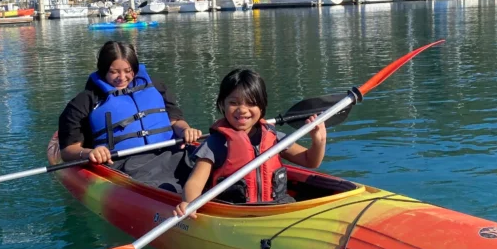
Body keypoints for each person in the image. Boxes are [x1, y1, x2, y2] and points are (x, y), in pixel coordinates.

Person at [174, 67, 326, 217]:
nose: (242, 110)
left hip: (278, 208)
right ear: (223, 104)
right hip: (235, 213)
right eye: (234, 103)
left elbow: (310, 161)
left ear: (262, 106)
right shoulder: (215, 143)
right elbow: (194, 183)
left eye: (251, 103)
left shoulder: (274, 137)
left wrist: (319, 141)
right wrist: (189, 203)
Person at [58, 41, 201, 190]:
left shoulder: (157, 87)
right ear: (103, 70)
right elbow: (68, 151)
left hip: (171, 153)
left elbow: (174, 121)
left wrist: (185, 130)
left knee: (203, 163)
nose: (122, 77)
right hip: (128, 165)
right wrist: (90, 153)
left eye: (128, 70)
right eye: (114, 72)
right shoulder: (84, 101)